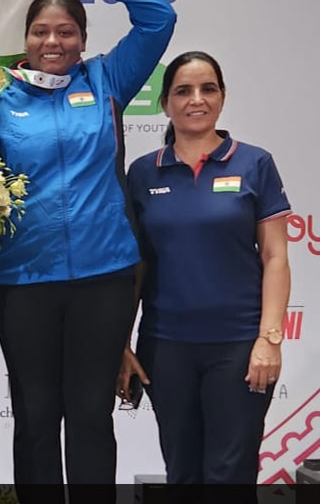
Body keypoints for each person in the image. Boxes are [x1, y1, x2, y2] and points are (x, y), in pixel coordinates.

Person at [0, 0, 177, 497]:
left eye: (66, 31)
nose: (53, 42)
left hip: (104, 277)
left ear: (81, 37)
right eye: (41, 32)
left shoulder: (106, 79)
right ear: (24, 38)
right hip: (25, 279)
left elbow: (158, 19)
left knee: (89, 415)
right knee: (34, 416)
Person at [119, 51, 291, 488]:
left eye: (207, 89)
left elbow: (275, 256)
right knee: (183, 475)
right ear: (165, 104)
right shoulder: (142, 173)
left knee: (229, 476)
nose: (196, 100)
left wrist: (269, 340)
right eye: (183, 91)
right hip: (165, 348)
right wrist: (121, 342)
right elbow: (133, 266)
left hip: (239, 348)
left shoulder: (254, 163)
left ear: (222, 97)